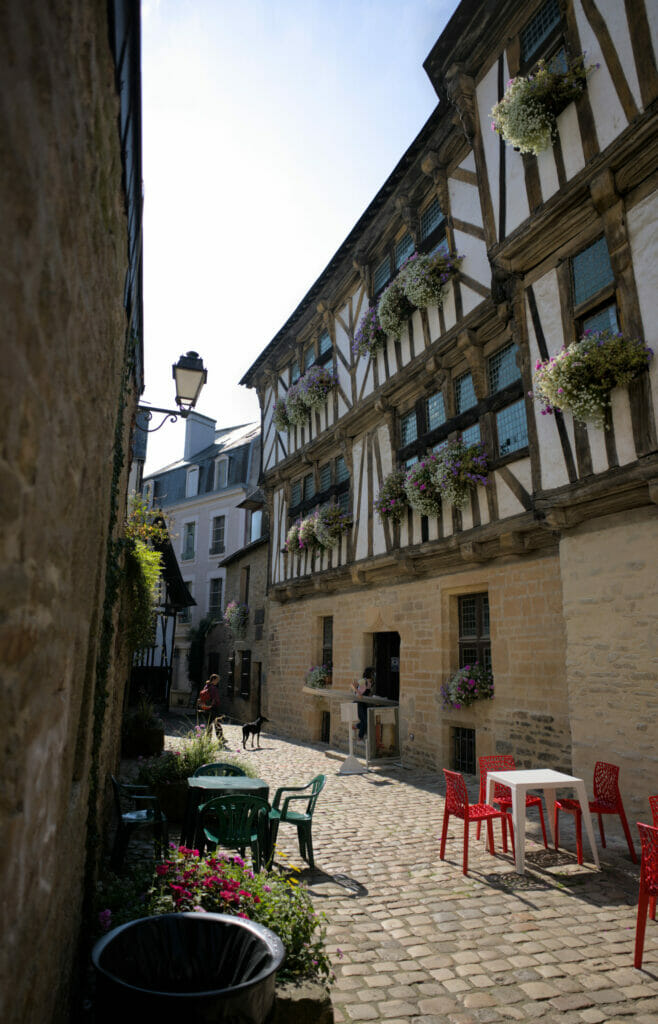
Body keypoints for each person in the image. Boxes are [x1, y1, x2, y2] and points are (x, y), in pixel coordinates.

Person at [351, 667, 375, 740]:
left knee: (367, 721)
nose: (374, 674)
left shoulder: (370, 683)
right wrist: (359, 694)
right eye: (373, 673)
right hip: (359, 703)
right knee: (365, 721)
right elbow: (352, 685)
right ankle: (360, 737)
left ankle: (356, 726)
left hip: (364, 703)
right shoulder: (363, 680)